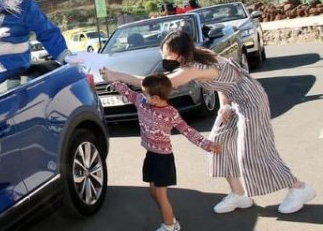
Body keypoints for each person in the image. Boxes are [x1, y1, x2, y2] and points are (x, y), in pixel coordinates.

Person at [100, 30, 316, 214]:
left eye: (166, 52)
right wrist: (224, 105)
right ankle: (238, 194)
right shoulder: (200, 56)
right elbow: (226, 82)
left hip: (251, 100)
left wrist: (115, 75)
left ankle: (299, 188)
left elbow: (151, 83)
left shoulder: (194, 67)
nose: (162, 55)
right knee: (218, 144)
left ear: (178, 53)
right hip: (234, 101)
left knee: (252, 150)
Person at [106, 73, 221, 231]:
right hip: (151, 155)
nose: (141, 95)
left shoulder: (171, 113)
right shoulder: (142, 102)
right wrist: (112, 80)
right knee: (152, 190)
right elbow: (127, 92)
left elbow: (188, 131)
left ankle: (169, 228)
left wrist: (207, 145)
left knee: (160, 194)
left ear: (155, 97)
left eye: (144, 93)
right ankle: (172, 221)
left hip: (163, 159)